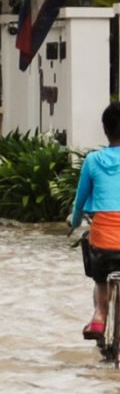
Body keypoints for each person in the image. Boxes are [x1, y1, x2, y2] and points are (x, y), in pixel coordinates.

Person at [70, 101, 120, 340]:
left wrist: (73, 222)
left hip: (103, 242)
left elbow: (79, 202)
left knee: (100, 281)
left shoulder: (92, 160)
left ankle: (99, 316)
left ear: (105, 129)